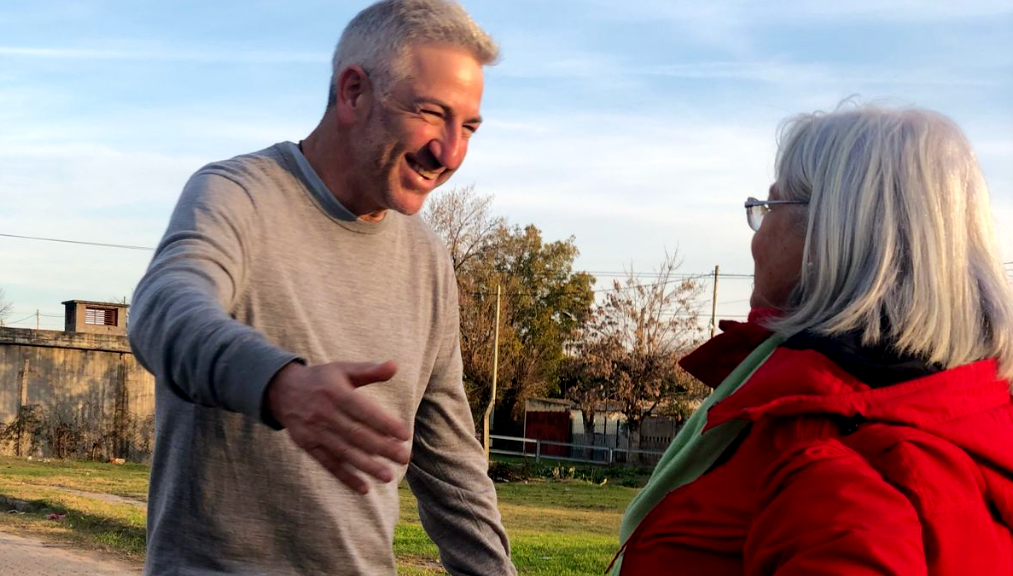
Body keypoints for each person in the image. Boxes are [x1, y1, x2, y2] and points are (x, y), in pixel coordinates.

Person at [127, 1, 517, 574]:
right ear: (353, 92)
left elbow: (451, 467)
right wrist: (278, 384)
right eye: (432, 114)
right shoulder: (239, 195)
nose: (451, 153)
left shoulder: (428, 259)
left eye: (470, 127)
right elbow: (164, 309)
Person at [610, 103, 1013, 575]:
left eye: (769, 207)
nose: (754, 239)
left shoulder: (841, 467)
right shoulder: (966, 415)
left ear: (832, 231)